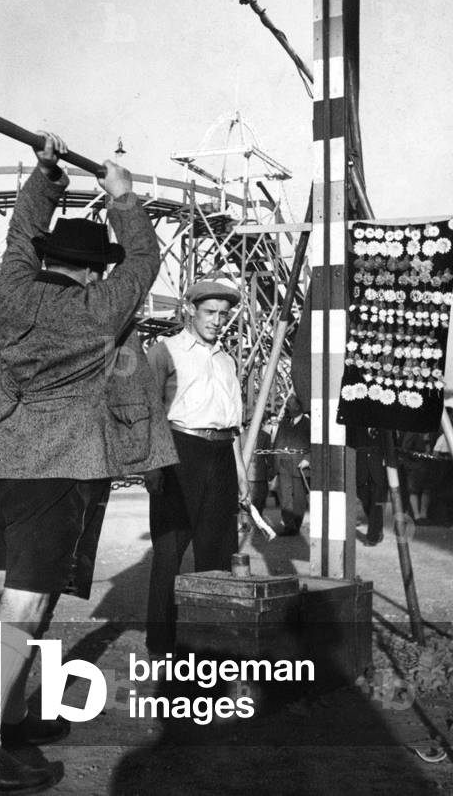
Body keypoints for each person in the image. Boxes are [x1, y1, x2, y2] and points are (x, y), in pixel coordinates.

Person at [0, 134, 176, 795]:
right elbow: (146, 258)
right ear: (93, 269)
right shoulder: (101, 308)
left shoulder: (13, 290)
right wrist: (124, 196)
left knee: (31, 595)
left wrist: (46, 176)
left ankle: (10, 720)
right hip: (52, 474)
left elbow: (20, 233)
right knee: (23, 604)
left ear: (49, 259)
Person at [145, 276, 250, 655]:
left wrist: (239, 472)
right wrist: (153, 465)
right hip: (179, 451)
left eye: (223, 314)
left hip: (221, 454)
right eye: (209, 312)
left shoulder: (226, 360)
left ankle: (209, 638)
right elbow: (149, 411)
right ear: (190, 309)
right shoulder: (165, 351)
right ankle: (160, 640)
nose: (217, 320)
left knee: (218, 549)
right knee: (170, 549)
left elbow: (231, 422)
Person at [271, 393, 311, 536]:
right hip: (283, 465)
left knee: (299, 499)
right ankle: (289, 526)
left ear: (299, 407)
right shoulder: (284, 423)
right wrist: (275, 462)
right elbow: (277, 443)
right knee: (285, 497)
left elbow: (315, 445)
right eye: (287, 405)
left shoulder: (309, 425)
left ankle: (296, 524)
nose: (287, 408)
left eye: (290, 405)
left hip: (300, 467)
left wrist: (308, 459)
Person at [353, 426, 388, 546]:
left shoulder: (384, 427)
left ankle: (372, 537)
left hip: (378, 471)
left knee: (376, 503)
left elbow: (390, 447)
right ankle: (378, 528)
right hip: (362, 470)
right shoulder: (357, 426)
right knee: (366, 502)